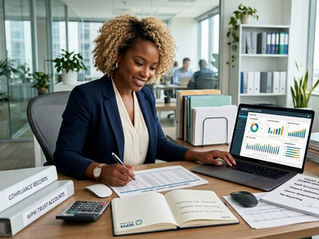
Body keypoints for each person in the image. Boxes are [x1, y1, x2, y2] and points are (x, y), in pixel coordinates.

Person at [54, 15, 235, 187]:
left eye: (153, 67)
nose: (146, 73)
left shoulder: (145, 96)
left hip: (141, 186)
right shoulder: (87, 96)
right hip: (103, 189)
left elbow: (159, 143)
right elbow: (64, 155)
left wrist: (199, 155)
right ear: (118, 55)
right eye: (139, 63)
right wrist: (100, 171)